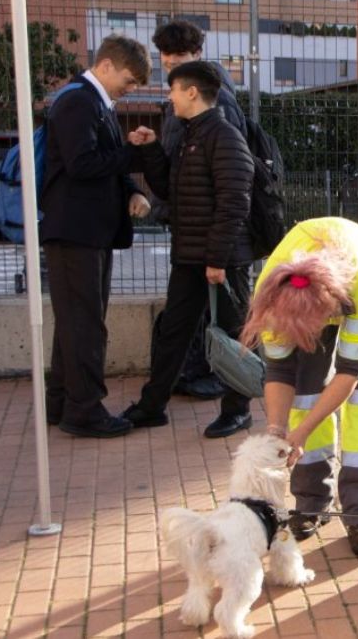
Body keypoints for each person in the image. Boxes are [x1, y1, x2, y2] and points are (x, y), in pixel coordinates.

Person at [240, 217, 358, 557]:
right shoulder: (272, 297)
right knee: (306, 392)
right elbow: (279, 370)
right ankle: (311, 504)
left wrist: (301, 433)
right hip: (317, 295)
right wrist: (278, 429)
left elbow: (349, 372)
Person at [119, 61, 256, 439]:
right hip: (190, 257)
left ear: (192, 92)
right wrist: (149, 150)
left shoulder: (224, 136)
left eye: (174, 88)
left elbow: (234, 203)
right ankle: (151, 406)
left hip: (223, 261)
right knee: (174, 332)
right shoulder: (190, 135)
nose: (169, 95)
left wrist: (216, 260)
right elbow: (168, 190)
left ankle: (238, 410)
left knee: (233, 336)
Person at [41, 35, 152, 439]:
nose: (132, 88)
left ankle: (63, 403)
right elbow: (83, 163)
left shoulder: (91, 102)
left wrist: (131, 185)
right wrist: (133, 155)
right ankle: (84, 410)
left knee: (76, 322)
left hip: (83, 232)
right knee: (85, 325)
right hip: (76, 232)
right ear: (106, 65)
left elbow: (95, 161)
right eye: (130, 79)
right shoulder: (78, 102)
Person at [151, 19, 250, 401]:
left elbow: (228, 184)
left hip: (208, 228)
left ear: (196, 55)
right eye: (166, 59)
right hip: (194, 223)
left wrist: (217, 250)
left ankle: (227, 393)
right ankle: (191, 380)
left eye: (178, 58)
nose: (172, 65)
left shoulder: (213, 101)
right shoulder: (192, 93)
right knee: (195, 314)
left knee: (221, 316)